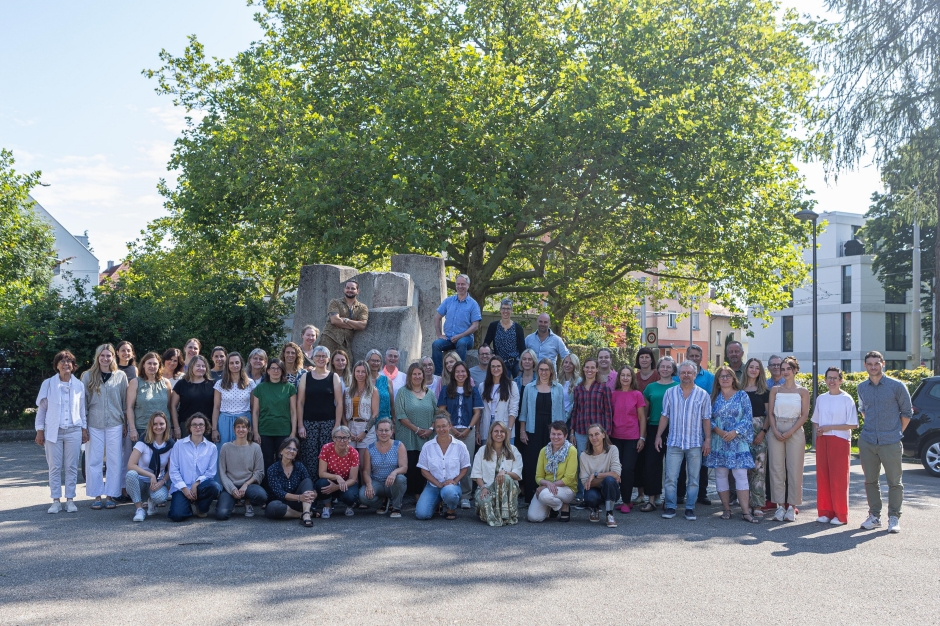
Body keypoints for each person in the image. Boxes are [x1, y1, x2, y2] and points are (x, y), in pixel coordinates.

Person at [856, 351, 911, 533]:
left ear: (883, 364)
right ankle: (874, 516)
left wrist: (895, 433)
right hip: (868, 440)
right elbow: (863, 410)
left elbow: (906, 413)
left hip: (891, 441)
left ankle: (894, 517)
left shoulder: (897, 386)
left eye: (876, 363)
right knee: (870, 481)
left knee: (894, 482)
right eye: (870, 364)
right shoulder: (862, 387)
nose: (873, 367)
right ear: (865, 366)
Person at [655, 360, 712, 521]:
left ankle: (690, 508)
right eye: (683, 372)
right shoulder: (670, 393)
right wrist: (658, 436)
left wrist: (707, 439)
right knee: (671, 478)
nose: (686, 375)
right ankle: (671, 506)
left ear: (695, 374)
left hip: (695, 443)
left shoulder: (703, 395)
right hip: (674, 442)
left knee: (694, 479)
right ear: (678, 375)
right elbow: (664, 416)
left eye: (689, 372)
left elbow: (706, 419)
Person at [35, 350, 87, 514]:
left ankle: (70, 500)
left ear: (73, 365)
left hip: (74, 431)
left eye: (68, 361)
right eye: (62, 361)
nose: (66, 364)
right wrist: (39, 431)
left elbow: (82, 410)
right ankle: (56, 501)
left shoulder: (79, 384)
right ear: (57, 365)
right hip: (53, 431)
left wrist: (84, 429)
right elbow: (42, 410)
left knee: (71, 467)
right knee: (54, 467)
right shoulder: (48, 384)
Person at [705, 366, 758, 523]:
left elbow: (748, 417)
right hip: (719, 441)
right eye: (722, 376)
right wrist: (719, 431)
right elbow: (707, 417)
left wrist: (735, 432)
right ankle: (726, 509)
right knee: (721, 475)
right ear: (717, 380)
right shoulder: (712, 397)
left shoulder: (742, 396)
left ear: (734, 378)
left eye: (728, 376)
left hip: (738, 441)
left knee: (740, 475)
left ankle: (745, 512)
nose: (725, 378)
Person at [82, 343, 129, 510]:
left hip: (115, 423)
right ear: (97, 357)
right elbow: (84, 403)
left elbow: (125, 402)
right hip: (94, 423)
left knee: (114, 460)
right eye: (102, 355)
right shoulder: (88, 376)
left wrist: (125, 423)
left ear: (113, 357)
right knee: (93, 460)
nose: (105, 358)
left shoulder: (120, 376)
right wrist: (84, 427)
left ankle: (110, 495)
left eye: (108, 355)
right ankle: (96, 495)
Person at [812, 367, 859, 526]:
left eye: (835, 378)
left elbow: (852, 424)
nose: (831, 381)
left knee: (838, 478)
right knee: (823, 476)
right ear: (825, 380)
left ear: (841, 380)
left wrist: (829, 427)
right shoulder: (821, 398)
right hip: (823, 439)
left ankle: (840, 514)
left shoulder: (847, 399)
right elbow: (816, 419)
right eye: (828, 378)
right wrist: (819, 428)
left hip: (840, 440)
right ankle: (825, 512)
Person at [767, 356, 810, 523]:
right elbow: (770, 413)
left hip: (795, 429)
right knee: (776, 469)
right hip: (776, 427)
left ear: (795, 370)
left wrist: (791, 430)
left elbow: (805, 415)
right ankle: (779, 507)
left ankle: (791, 506)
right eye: (783, 369)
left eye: (788, 369)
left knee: (794, 469)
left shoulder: (802, 391)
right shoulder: (775, 390)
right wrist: (775, 430)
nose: (785, 372)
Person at [518, 359, 565, 500]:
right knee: (532, 461)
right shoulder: (529, 388)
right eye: (541, 369)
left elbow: (562, 411)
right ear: (537, 371)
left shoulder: (559, 388)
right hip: (533, 428)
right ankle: (531, 496)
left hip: (553, 430)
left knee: (552, 461)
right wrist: (522, 430)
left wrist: (562, 433)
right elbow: (523, 412)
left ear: (551, 371)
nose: (543, 372)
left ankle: (551, 494)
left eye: (546, 369)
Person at [437, 361, 482, 508]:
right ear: (453, 374)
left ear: (467, 374)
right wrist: (451, 428)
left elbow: (477, 412)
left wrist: (469, 428)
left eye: (463, 371)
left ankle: (465, 495)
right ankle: (448, 491)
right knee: (449, 462)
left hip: (468, 431)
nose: (460, 374)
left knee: (466, 463)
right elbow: (442, 411)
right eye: (457, 372)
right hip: (449, 431)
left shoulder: (473, 390)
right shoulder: (446, 389)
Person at [569, 357, 613, 503]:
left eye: (592, 367)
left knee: (598, 461)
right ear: (583, 369)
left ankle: (599, 493)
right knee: (583, 463)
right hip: (581, 431)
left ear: (597, 369)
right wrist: (571, 432)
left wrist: (606, 432)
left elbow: (608, 412)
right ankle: (582, 495)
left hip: (598, 433)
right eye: (587, 367)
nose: (589, 370)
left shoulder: (603, 388)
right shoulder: (578, 388)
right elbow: (575, 411)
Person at [297, 345, 344, 478]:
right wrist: (300, 425)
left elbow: (339, 403)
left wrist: (337, 425)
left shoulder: (333, 377)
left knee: (327, 457)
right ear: (313, 358)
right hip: (309, 423)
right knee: (309, 456)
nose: (321, 359)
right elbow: (300, 402)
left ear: (328, 359)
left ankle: (325, 489)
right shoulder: (305, 377)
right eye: (318, 356)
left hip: (328, 424)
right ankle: (309, 488)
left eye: (324, 356)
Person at [637, 357, 678, 510]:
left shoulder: (679, 386)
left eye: (669, 367)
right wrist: (644, 431)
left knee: (672, 466)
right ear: (658, 369)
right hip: (654, 427)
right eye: (663, 366)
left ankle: (669, 499)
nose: (665, 369)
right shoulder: (650, 388)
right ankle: (651, 500)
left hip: (674, 429)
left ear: (673, 370)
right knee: (652, 465)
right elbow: (645, 412)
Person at [416, 412, 471, 520]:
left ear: (450, 426)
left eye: (444, 426)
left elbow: (465, 467)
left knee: (449, 492)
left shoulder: (460, 446)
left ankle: (451, 508)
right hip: (433, 485)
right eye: (438, 427)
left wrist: (455, 481)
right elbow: (424, 470)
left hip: (452, 486)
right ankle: (437, 502)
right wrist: (438, 484)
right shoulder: (427, 446)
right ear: (435, 428)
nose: (441, 429)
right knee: (421, 515)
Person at [678, 345, 715, 507]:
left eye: (697, 355)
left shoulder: (709, 377)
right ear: (687, 357)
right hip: (682, 427)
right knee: (680, 463)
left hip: (702, 425)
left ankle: (702, 493)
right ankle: (679, 495)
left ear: (701, 357)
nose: (694, 358)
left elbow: (712, 399)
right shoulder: (677, 377)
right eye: (691, 355)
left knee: (701, 462)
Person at [167, 413, 221, 521]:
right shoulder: (179, 445)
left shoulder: (212, 447)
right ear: (189, 427)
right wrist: (185, 489)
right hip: (182, 487)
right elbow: (173, 470)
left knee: (215, 486)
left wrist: (196, 484)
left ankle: (201, 507)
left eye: (201, 424)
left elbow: (210, 472)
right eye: (194, 425)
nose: (198, 427)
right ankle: (187, 504)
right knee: (177, 516)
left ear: (205, 427)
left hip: (201, 487)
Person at [395, 363, 437, 499]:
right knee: (410, 466)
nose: (417, 376)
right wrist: (417, 429)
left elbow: (437, 414)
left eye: (420, 374)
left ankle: (419, 496)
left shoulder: (430, 394)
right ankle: (404, 497)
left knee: (423, 467)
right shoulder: (402, 392)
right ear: (409, 376)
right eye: (414, 374)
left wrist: (430, 429)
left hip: (427, 437)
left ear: (423, 376)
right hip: (408, 436)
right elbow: (400, 415)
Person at [216, 416, 267, 520]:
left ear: (249, 429)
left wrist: (245, 485)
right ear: (234, 429)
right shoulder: (226, 447)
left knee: (262, 496)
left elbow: (259, 472)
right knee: (222, 515)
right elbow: (222, 472)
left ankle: (247, 501)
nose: (241, 430)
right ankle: (233, 501)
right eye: (238, 427)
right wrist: (232, 488)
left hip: (249, 485)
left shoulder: (255, 447)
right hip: (231, 485)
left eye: (243, 427)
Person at [610, 366, 646, 514]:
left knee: (628, 470)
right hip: (615, 437)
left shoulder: (637, 394)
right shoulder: (613, 394)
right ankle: (621, 499)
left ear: (632, 378)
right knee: (616, 470)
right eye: (622, 375)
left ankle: (626, 501)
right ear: (619, 378)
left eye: (628, 375)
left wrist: (642, 438)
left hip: (632, 437)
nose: (625, 378)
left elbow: (642, 418)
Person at [471, 421, 523, 526]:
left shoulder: (514, 450)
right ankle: (483, 510)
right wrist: (483, 488)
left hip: (508, 490)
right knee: (485, 502)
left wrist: (505, 472)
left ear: (506, 434)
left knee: (506, 478)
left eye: (502, 431)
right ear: (491, 433)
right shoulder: (482, 450)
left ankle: (506, 515)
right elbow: (477, 475)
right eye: (496, 431)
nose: (499, 434)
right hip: (486, 487)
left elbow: (518, 475)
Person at [125, 411, 173, 522]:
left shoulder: (170, 445)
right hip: (141, 481)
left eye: (161, 424)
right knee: (131, 474)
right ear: (151, 426)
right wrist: (151, 475)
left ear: (166, 425)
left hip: (157, 482)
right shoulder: (143, 441)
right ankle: (139, 509)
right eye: (155, 424)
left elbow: (171, 470)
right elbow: (131, 465)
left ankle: (152, 501)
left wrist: (162, 482)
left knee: (161, 497)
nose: (158, 427)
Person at [251, 358, 298, 469]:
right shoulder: (260, 388)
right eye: (273, 368)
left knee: (283, 461)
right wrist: (256, 432)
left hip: (284, 430)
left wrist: (293, 432)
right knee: (265, 461)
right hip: (265, 430)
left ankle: (281, 485)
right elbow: (256, 411)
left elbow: (293, 411)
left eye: (278, 368)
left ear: (282, 371)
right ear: (267, 371)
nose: (275, 371)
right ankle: (266, 486)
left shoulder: (289, 388)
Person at [527, 421, 578, 522]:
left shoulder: (571, 450)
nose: (555, 437)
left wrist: (546, 486)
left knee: (544, 495)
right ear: (549, 434)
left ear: (566, 435)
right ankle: (557, 506)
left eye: (559, 434)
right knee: (533, 518)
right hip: (547, 489)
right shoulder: (543, 451)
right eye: (553, 433)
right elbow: (538, 477)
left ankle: (564, 505)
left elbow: (569, 478)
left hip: (566, 488)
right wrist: (546, 484)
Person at [432, 273, 482, 374]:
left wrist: (461, 335)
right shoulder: (448, 301)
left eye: (463, 284)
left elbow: (475, 325)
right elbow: (437, 318)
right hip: (449, 338)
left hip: (466, 338)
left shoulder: (473, 304)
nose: (460, 286)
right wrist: (439, 334)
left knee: (461, 342)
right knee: (436, 344)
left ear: (468, 285)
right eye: (458, 284)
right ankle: (438, 375)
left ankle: (458, 372)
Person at [358, 418, 408, 517]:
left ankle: (396, 507)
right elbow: (366, 472)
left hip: (393, 482)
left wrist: (394, 473)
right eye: (380, 430)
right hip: (377, 482)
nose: (383, 433)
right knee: (363, 495)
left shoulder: (399, 445)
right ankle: (382, 504)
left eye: (386, 430)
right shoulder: (370, 448)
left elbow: (404, 467)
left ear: (392, 431)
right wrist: (368, 484)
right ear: (376, 432)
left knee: (401, 479)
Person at [741, 358, 771, 516]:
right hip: (741, 433)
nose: (753, 370)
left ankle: (758, 504)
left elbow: (768, 415)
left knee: (758, 469)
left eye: (757, 368)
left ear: (760, 371)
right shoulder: (738, 390)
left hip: (759, 430)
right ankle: (745, 504)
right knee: (742, 470)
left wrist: (762, 432)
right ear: (746, 369)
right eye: (751, 367)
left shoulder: (765, 391)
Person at [265, 437, 317, 526]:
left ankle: (306, 513)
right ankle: (303, 514)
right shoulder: (272, 469)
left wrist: (314, 494)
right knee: (273, 507)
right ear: (281, 451)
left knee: (307, 480)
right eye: (288, 448)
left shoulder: (299, 466)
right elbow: (279, 493)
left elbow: (309, 485)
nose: (291, 451)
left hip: (298, 503)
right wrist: (299, 497)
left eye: (294, 449)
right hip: (280, 503)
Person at [210, 352, 256, 452]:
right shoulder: (220, 384)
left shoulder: (250, 383)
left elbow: (253, 407)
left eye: (237, 362)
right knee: (224, 451)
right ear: (227, 365)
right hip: (225, 422)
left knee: (244, 451)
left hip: (244, 422)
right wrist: (214, 429)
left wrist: (253, 429)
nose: (234, 365)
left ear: (241, 364)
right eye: (231, 363)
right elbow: (216, 407)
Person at [579, 424, 622, 527]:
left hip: (610, 489)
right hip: (594, 490)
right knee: (592, 496)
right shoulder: (584, 455)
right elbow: (585, 483)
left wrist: (595, 475)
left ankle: (609, 514)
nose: (594, 438)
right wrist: (607, 477)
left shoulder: (613, 449)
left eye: (597, 434)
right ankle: (595, 508)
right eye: (591, 435)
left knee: (610, 481)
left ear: (603, 435)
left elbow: (616, 474)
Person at [316, 425, 360, 517]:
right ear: (333, 438)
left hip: (347, 482)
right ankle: (327, 507)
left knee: (351, 496)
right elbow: (321, 473)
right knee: (321, 484)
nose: (342, 441)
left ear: (349, 439)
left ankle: (349, 506)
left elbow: (353, 479)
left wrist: (336, 487)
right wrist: (337, 477)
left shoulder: (354, 453)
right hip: (331, 479)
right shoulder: (326, 448)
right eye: (339, 437)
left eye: (345, 438)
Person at [126, 351, 171, 440]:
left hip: (163, 429)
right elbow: (129, 407)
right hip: (142, 429)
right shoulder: (135, 382)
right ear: (143, 365)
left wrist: (172, 427)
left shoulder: (166, 383)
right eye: (149, 363)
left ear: (159, 366)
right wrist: (132, 429)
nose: (152, 366)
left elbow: (169, 407)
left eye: (155, 364)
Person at [319, 278, 369, 357]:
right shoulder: (335, 302)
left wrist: (346, 320)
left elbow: (362, 325)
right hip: (329, 338)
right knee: (325, 364)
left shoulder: (362, 307)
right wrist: (354, 326)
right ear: (344, 289)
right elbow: (335, 321)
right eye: (347, 288)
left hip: (346, 343)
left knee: (347, 367)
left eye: (353, 288)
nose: (350, 290)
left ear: (358, 291)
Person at [479, 356, 519, 445]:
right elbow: (480, 411)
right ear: (489, 369)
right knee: (487, 457)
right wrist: (478, 431)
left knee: (506, 457)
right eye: (493, 366)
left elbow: (513, 409)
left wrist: (509, 429)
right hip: (486, 426)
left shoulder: (512, 385)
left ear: (503, 368)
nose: (495, 369)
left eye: (498, 366)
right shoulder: (482, 386)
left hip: (504, 426)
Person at [482, 298, 527, 377]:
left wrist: (522, 366)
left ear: (511, 310)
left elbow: (522, 349)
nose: (505, 311)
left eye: (508, 309)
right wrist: (491, 354)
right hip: (500, 363)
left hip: (516, 362)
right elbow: (486, 344)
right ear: (500, 310)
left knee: (520, 384)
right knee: (504, 386)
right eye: (503, 308)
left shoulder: (518, 328)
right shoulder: (493, 326)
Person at [171, 355, 216, 433]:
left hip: (206, 427)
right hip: (186, 426)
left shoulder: (212, 384)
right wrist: (176, 427)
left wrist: (215, 429)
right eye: (198, 366)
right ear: (191, 367)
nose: (201, 368)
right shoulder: (181, 384)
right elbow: (173, 406)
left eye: (203, 366)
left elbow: (217, 407)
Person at [346, 360, 380, 450]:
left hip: (366, 427)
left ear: (367, 373)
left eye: (363, 372)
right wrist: (347, 430)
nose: (360, 374)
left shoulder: (373, 390)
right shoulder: (347, 391)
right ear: (354, 373)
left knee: (364, 461)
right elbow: (342, 412)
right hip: (350, 426)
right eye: (358, 371)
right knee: (350, 460)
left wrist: (365, 432)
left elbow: (375, 414)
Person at [513, 348, 538, 443]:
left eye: (530, 359)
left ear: (534, 362)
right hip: (517, 421)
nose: (527, 361)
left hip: (533, 421)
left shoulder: (539, 382)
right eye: (524, 359)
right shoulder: (514, 382)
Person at [367, 349, 396, 421]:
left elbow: (392, 405)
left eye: (378, 361)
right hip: (365, 423)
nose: (375, 363)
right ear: (367, 361)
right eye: (373, 360)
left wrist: (394, 421)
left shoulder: (386, 380)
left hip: (384, 423)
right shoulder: (362, 380)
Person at [559, 353, 581, 421]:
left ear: (575, 365)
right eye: (566, 362)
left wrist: (565, 417)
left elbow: (575, 403)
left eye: (571, 363)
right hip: (557, 416)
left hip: (569, 418)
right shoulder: (558, 380)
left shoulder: (579, 381)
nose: (567, 365)